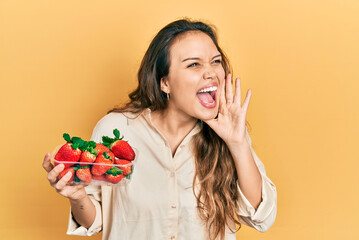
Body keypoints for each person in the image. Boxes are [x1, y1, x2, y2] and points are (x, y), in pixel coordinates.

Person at [43, 18, 277, 240]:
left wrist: (238, 143)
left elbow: (261, 216)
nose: (210, 73)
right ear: (164, 83)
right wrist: (78, 196)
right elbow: (95, 221)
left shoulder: (229, 132)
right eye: (194, 64)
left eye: (215, 61)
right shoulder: (117, 129)